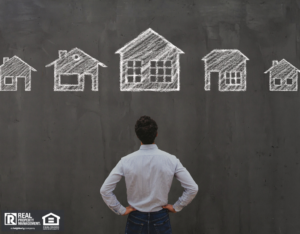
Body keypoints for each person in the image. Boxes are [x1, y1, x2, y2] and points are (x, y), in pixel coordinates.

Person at [100, 116, 198, 234]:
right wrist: (177, 206)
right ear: (156, 134)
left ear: (137, 136)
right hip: (160, 218)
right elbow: (192, 188)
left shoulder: (126, 161)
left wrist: (120, 210)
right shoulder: (171, 160)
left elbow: (105, 190)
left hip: (136, 218)